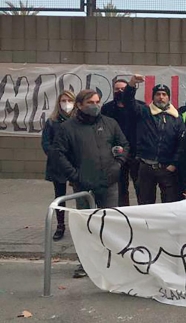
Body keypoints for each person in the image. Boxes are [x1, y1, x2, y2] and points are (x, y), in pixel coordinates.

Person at [52, 89, 128, 279]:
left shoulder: (110, 123)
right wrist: (75, 175)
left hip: (109, 183)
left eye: (97, 102)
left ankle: (112, 262)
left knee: (110, 224)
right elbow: (58, 154)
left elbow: (124, 145)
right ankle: (85, 263)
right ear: (79, 105)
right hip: (83, 186)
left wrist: (118, 164)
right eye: (90, 103)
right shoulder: (67, 128)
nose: (95, 106)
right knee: (86, 226)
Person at [123, 75, 186, 205]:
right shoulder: (144, 111)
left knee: (169, 204)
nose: (161, 97)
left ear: (169, 97)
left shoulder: (177, 118)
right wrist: (131, 85)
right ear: (153, 97)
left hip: (167, 168)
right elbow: (128, 102)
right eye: (158, 94)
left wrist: (174, 164)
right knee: (145, 204)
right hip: (146, 167)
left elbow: (181, 143)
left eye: (164, 94)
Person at [101, 79, 142, 206]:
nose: (120, 91)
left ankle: (142, 214)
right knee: (120, 188)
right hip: (116, 153)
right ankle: (123, 213)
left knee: (140, 187)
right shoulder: (107, 108)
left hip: (136, 153)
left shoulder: (140, 107)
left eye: (123, 89)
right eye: (117, 89)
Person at [42, 90, 75, 241]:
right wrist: (57, 157)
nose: (66, 104)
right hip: (58, 164)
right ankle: (60, 225)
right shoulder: (52, 121)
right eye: (63, 100)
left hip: (76, 163)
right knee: (60, 195)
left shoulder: (78, 120)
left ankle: (83, 224)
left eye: (69, 100)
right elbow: (46, 143)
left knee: (82, 194)